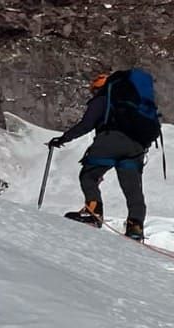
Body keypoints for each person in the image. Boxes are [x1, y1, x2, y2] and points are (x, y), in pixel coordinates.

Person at [48, 71, 162, 241]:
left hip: (111, 140)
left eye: (94, 90)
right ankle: (135, 226)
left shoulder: (104, 98)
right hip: (137, 147)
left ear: (99, 88)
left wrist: (63, 138)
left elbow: (87, 124)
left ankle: (93, 213)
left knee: (89, 176)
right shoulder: (135, 102)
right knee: (132, 189)